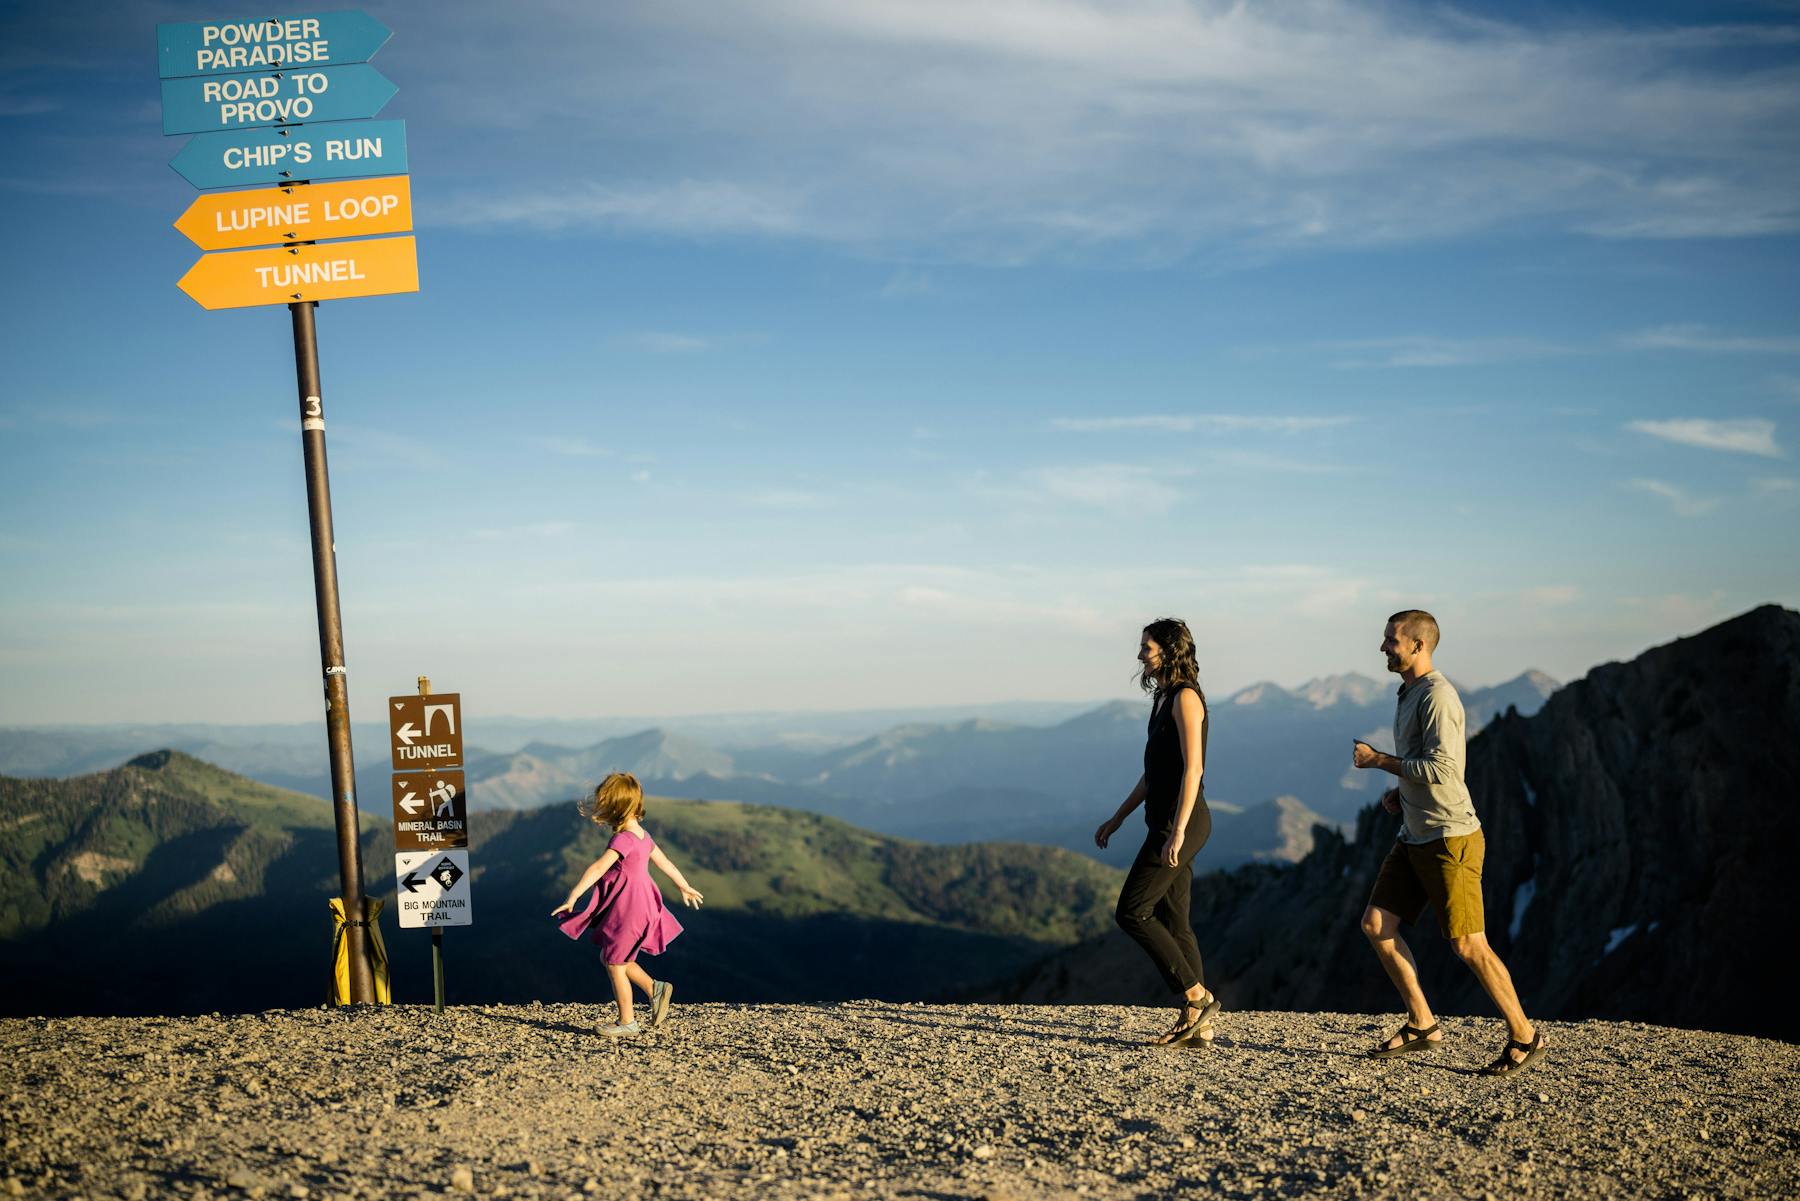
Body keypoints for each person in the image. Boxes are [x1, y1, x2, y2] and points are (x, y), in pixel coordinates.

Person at [1351, 609, 1546, 1076]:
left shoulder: (1437, 696)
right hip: (1415, 833)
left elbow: (1443, 769)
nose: (1383, 647)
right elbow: (1426, 764)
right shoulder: (1410, 692)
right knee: (1376, 924)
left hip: (1450, 838)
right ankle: (1422, 1024)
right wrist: (1402, 792)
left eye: (1391, 640)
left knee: (1468, 944)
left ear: (1419, 645)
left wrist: (1379, 761)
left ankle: (1525, 1035)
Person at [1094, 617, 1220, 1047]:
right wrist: (1118, 817)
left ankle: (1196, 997)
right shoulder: (1164, 697)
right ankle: (1199, 1023)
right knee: (1175, 920)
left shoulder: (1185, 698)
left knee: (1132, 911)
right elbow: (1154, 773)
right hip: (1165, 820)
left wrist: (1177, 832)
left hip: (1180, 822)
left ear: (1168, 651)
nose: (1140, 654)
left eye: (1146, 647)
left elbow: (1193, 769)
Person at [552, 772, 704, 1037]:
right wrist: (683, 885)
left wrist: (573, 896)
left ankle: (628, 1022)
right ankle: (655, 989)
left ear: (615, 807)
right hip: (643, 904)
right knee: (612, 957)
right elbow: (665, 863)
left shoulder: (622, 839)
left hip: (630, 908)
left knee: (614, 964)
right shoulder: (643, 836)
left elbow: (598, 867)